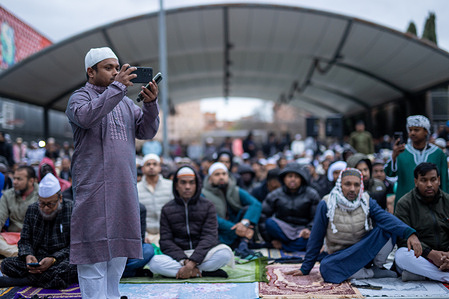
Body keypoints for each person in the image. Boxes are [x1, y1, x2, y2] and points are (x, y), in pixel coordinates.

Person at [65, 46, 160, 298]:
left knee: (118, 255)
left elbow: (147, 132)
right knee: (93, 257)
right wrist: (116, 88)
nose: (116, 72)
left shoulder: (126, 104)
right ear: (90, 71)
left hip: (123, 189)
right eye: (108, 68)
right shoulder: (79, 98)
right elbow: (86, 118)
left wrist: (151, 105)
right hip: (94, 189)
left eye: (117, 68)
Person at [286, 168, 421, 283]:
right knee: (326, 268)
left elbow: (385, 218)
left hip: (364, 252)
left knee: (388, 226)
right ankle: (371, 273)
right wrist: (305, 268)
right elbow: (316, 237)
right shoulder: (327, 203)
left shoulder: (366, 200)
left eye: (356, 185)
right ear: (340, 185)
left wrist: (410, 233)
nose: (352, 189)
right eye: (348, 184)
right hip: (341, 256)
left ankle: (378, 267)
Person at [149, 166, 234, 278]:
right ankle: (201, 272)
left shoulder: (208, 206)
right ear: (176, 185)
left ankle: (183, 272)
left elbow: (209, 237)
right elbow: (166, 241)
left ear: (197, 185)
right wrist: (185, 261)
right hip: (179, 256)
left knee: (225, 254)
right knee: (154, 262)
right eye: (183, 183)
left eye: (191, 183)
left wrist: (193, 262)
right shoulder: (167, 209)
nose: (187, 187)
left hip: (203, 254)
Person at [0, 173, 78, 288]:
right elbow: (24, 240)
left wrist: (53, 259)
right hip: (38, 260)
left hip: (61, 260)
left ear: (60, 199)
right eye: (42, 203)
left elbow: (75, 246)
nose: (46, 208)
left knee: (74, 268)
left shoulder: (71, 209)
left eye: (50, 204)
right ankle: (45, 280)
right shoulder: (32, 209)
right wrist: (28, 255)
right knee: (6, 264)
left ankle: (24, 281)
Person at [394, 162, 449, 282]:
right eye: (424, 180)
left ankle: (425, 276)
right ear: (416, 182)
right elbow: (403, 239)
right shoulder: (405, 203)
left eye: (433, 179)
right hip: (422, 258)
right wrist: (430, 253)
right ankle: (444, 276)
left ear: (439, 180)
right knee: (401, 255)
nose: (429, 184)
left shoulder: (447, 201)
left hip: (446, 256)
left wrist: (446, 257)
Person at [385, 115, 448, 208]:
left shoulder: (438, 153)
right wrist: (394, 157)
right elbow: (390, 174)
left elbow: (445, 182)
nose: (412, 133)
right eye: (410, 130)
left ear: (426, 131)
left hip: (433, 204)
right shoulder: (401, 152)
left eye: (416, 130)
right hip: (406, 205)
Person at [201, 162, 262, 259]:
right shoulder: (203, 194)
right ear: (210, 178)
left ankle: (243, 246)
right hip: (220, 232)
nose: (221, 177)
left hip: (239, 229)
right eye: (217, 174)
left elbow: (256, 204)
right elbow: (213, 219)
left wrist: (244, 223)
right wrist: (237, 229)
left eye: (224, 174)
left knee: (248, 212)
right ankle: (242, 243)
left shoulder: (234, 190)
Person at [259, 162, 320, 252]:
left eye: (296, 177)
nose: (293, 180)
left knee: (313, 240)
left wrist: (309, 229)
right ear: (284, 178)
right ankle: (293, 245)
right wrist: (271, 240)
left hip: (302, 231)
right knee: (269, 222)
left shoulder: (312, 194)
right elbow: (263, 216)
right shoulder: (275, 194)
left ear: (302, 179)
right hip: (283, 231)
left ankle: (285, 246)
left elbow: (317, 217)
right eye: (290, 176)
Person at [0, 166, 39, 258]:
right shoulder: (7, 195)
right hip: (11, 240)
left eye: (19, 179)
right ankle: (25, 255)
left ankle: (21, 255)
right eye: (14, 178)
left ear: (31, 181)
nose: (14, 182)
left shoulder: (42, 195)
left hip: (34, 240)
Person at [137, 153, 173, 245]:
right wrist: (143, 234)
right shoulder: (136, 189)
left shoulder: (170, 186)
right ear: (143, 169)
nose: (151, 167)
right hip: (147, 237)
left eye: (155, 164)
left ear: (160, 168)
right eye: (148, 164)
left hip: (169, 234)